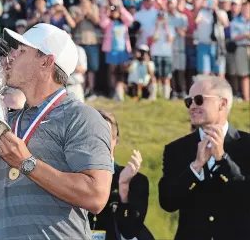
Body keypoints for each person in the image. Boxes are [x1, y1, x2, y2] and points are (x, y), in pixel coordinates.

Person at [0, 23, 113, 239]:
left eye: (21, 51)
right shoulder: (5, 121)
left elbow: (96, 197)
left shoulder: (82, 117)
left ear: (46, 62)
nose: (10, 56)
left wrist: (26, 163)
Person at [159, 75, 250, 240]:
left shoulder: (246, 145)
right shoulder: (176, 149)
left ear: (222, 103)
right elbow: (167, 202)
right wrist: (195, 168)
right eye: (189, 101)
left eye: (199, 100)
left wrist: (223, 160)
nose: (192, 106)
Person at [89, 109, 154, 240]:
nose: (98, 142)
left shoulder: (136, 181)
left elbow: (130, 231)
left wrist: (123, 188)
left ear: (115, 140)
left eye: (105, 137)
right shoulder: (72, 177)